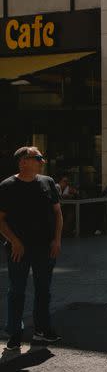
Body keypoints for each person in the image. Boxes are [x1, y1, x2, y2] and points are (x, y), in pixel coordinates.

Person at [0, 147, 63, 350]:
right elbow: (0, 219)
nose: (41, 161)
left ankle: (42, 329)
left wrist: (57, 240)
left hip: (45, 247)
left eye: (41, 158)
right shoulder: (7, 186)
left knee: (43, 290)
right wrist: (14, 241)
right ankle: (15, 333)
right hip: (18, 249)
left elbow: (57, 214)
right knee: (16, 291)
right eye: (37, 158)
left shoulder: (47, 182)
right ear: (23, 162)